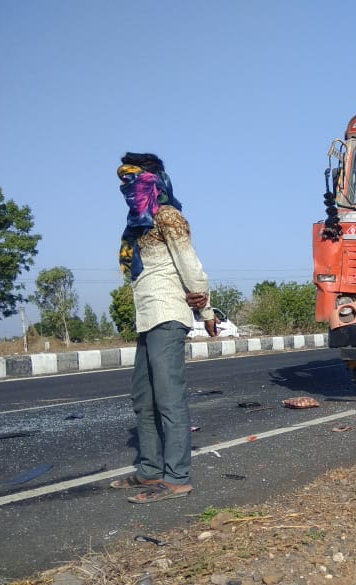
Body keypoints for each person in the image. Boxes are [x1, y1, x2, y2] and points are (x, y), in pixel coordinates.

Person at [108, 152, 217, 504]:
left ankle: (177, 478)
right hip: (147, 317)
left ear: (151, 180)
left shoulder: (169, 216)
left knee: (169, 399)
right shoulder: (139, 222)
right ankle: (150, 469)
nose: (128, 186)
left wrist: (208, 311)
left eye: (133, 179)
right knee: (143, 397)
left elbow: (191, 266)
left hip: (168, 315)